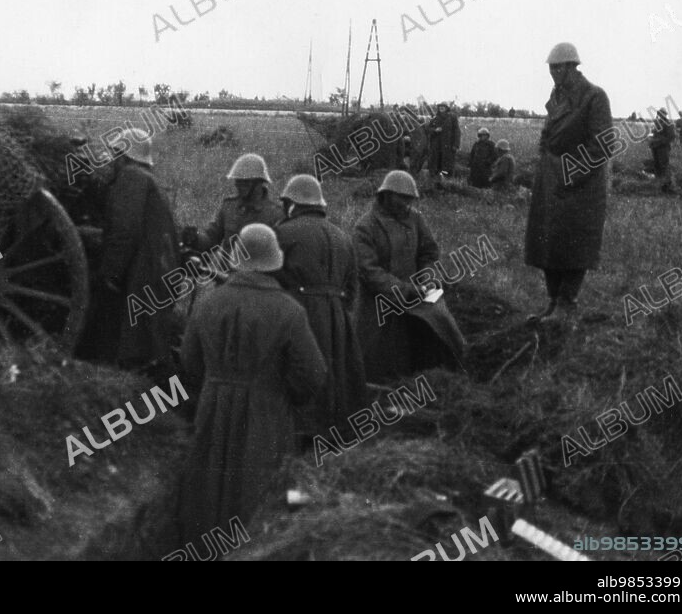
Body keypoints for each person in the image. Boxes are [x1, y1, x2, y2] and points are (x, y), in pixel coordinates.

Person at [175, 223, 326, 558]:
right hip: (266, 412)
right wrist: (289, 398)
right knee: (258, 488)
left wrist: (215, 383)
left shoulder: (209, 302)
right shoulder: (289, 311)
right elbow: (313, 373)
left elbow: (189, 360)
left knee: (207, 481)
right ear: (273, 262)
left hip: (213, 406)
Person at [80, 128, 181, 375]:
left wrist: (110, 273)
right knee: (149, 335)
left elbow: (125, 231)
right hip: (159, 265)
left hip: (145, 268)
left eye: (115, 153)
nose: (112, 159)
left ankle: (148, 391)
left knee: (140, 343)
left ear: (125, 155)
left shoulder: (131, 177)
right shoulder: (147, 178)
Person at [525, 42, 612, 326]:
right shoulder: (557, 96)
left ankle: (567, 304)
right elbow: (548, 134)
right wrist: (544, 161)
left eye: (558, 67)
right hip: (550, 178)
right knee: (547, 243)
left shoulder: (594, 96)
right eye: (551, 68)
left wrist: (569, 175)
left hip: (581, 185)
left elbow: (602, 146)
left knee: (575, 244)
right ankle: (553, 304)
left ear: (573, 67)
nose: (553, 73)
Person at [273, 174, 366, 438]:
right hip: (337, 317)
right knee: (336, 376)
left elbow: (269, 276)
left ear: (292, 203)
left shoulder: (283, 233)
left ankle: (301, 432)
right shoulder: (343, 237)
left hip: (300, 311)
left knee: (301, 370)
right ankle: (333, 433)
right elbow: (352, 290)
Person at [353, 171, 465, 383]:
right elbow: (369, 271)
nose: (406, 204)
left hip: (416, 300)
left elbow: (429, 253)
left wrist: (427, 277)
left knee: (442, 334)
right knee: (378, 363)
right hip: (379, 304)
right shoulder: (365, 227)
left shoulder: (416, 219)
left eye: (409, 200)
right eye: (401, 198)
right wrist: (403, 289)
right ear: (385, 195)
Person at [182, 153, 282, 253]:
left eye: (246, 182)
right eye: (238, 181)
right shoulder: (229, 207)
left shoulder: (276, 215)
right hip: (225, 267)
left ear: (259, 182)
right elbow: (212, 237)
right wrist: (196, 237)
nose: (239, 185)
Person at [427, 103, 461, 178]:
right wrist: (435, 130)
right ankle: (435, 179)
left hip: (448, 145)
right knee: (435, 162)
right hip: (436, 146)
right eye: (440, 107)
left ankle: (446, 180)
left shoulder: (452, 117)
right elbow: (428, 130)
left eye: (443, 107)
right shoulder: (434, 118)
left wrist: (456, 144)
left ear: (446, 108)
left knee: (447, 163)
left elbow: (457, 131)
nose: (441, 108)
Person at [649, 108, 676, 193]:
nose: (660, 115)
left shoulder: (669, 123)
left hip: (663, 148)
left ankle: (667, 184)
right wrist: (652, 140)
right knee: (656, 164)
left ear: (665, 114)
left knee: (664, 165)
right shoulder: (657, 123)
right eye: (659, 114)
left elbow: (671, 137)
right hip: (655, 147)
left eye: (661, 114)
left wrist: (660, 141)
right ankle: (658, 182)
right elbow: (654, 133)